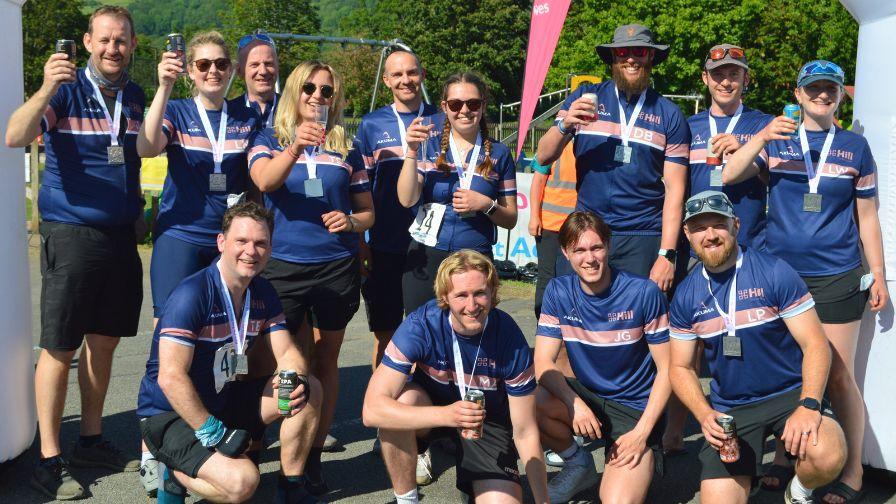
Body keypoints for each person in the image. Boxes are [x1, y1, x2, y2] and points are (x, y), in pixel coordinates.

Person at [724, 61, 888, 504]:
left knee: (837, 375)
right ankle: (785, 458)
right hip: (781, 277)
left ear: (839, 96)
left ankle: (852, 471)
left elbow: (867, 217)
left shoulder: (856, 147)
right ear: (798, 95)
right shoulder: (777, 140)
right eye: (813, 89)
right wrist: (758, 137)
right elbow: (728, 174)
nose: (822, 95)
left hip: (837, 275)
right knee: (786, 372)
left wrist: (880, 277)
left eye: (829, 89)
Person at [5, 6, 143, 499]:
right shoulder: (63, 90)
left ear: (132, 45)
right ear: (87, 42)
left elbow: (143, 149)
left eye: (121, 40)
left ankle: (89, 437)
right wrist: (44, 87)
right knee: (60, 347)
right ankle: (48, 457)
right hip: (71, 233)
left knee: (104, 342)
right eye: (105, 39)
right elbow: (14, 135)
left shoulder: (135, 93)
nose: (113, 48)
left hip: (121, 234)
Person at [136, 201, 323, 503]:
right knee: (243, 482)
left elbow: (286, 349)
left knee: (308, 389)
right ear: (221, 242)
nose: (251, 251)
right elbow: (170, 378)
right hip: (170, 413)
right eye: (242, 241)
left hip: (221, 399)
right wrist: (213, 432)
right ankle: (174, 473)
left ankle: (290, 490)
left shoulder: (262, 291)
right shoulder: (192, 294)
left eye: (261, 243)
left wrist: (292, 378)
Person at [669, 190, 848, 504]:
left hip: (789, 394)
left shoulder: (775, 272)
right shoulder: (685, 296)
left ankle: (800, 491)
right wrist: (704, 414)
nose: (709, 235)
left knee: (828, 453)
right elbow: (680, 367)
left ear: (736, 225)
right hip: (732, 409)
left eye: (718, 225)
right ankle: (745, 475)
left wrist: (809, 405)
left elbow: (816, 344)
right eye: (699, 228)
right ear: (687, 234)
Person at [247, 60, 374, 496]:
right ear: (295, 91)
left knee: (326, 360)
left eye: (327, 91)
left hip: (336, 265)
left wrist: (353, 224)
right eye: (310, 89)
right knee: (285, 363)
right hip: (284, 264)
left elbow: (367, 211)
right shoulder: (269, 137)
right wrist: (295, 147)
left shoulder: (347, 146)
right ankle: (266, 446)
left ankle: (313, 455)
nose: (318, 97)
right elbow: (263, 180)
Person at [662, 43, 777, 461]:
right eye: (718, 74)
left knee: (755, 341)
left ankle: (762, 427)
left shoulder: (762, 123)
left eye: (735, 74)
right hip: (696, 251)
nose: (726, 81)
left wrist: (746, 153)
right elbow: (671, 187)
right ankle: (676, 429)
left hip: (749, 246)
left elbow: (773, 180)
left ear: (746, 79)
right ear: (705, 79)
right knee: (686, 347)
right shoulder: (687, 125)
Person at [362, 250, 548, 504]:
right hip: (434, 412)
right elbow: (372, 411)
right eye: (461, 295)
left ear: (493, 292)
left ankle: (476, 479)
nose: (472, 306)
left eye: (480, 293)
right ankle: (406, 500)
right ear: (444, 297)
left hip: (487, 423)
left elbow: (525, 431)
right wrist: (447, 415)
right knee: (398, 407)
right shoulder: (421, 325)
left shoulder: (509, 338)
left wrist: (542, 500)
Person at [536, 23, 689, 292]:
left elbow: (676, 191)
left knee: (640, 323)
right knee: (581, 321)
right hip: (588, 232)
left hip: (642, 235)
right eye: (622, 52)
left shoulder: (669, 114)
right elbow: (544, 154)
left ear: (651, 56)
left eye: (639, 51)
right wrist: (565, 124)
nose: (630, 58)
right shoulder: (584, 97)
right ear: (612, 58)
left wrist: (667, 254)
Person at [535, 211, 671, 503]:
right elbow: (542, 364)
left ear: (608, 246)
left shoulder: (643, 292)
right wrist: (575, 405)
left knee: (615, 501)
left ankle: (638, 453)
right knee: (529, 401)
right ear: (565, 253)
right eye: (579, 250)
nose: (590, 258)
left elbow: (668, 369)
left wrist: (642, 433)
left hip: (634, 409)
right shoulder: (558, 291)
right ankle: (578, 464)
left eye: (596, 247)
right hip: (589, 399)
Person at [398, 72, 518, 314]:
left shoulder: (500, 153)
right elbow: (407, 199)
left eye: (473, 104)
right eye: (455, 104)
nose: (464, 110)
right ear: (444, 107)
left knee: (471, 331)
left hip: (475, 256)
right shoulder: (427, 145)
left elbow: (511, 219)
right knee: (421, 333)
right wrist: (411, 151)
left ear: (483, 106)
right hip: (427, 253)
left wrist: (486, 204)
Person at [355, 48, 440, 371]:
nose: (406, 80)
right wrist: (362, 242)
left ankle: (428, 413)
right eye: (398, 75)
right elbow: (360, 191)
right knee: (386, 336)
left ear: (422, 74)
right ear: (387, 80)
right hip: (386, 243)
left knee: (433, 332)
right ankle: (384, 414)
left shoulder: (443, 119)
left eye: (412, 72)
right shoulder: (371, 125)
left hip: (433, 246)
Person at [528, 145, 577, 318]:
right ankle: (543, 322)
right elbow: (538, 181)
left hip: (577, 228)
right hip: (549, 225)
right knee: (546, 278)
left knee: (572, 280)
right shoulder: (554, 141)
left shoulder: (591, 141)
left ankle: (569, 325)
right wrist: (534, 216)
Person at [234, 32, 280, 130]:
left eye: (268, 64)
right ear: (239, 71)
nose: (263, 71)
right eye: (254, 65)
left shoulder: (296, 109)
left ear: (277, 67)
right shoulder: (228, 113)